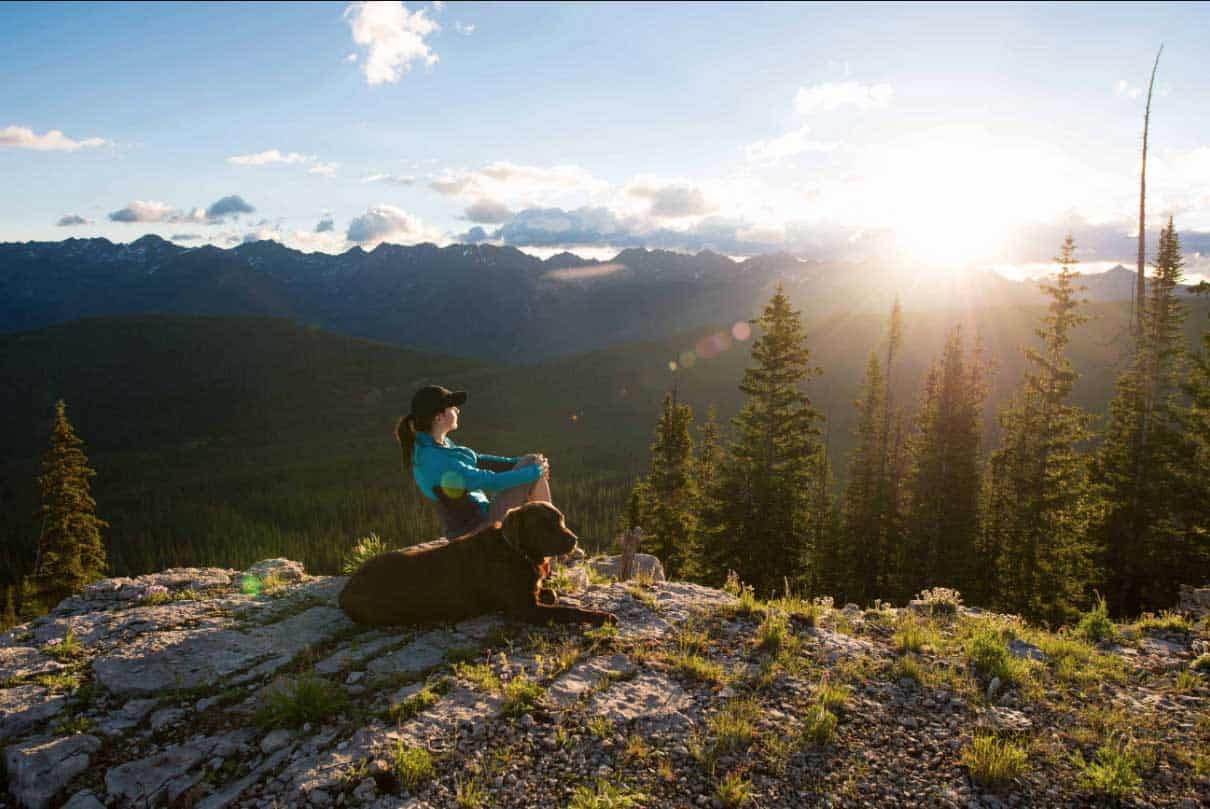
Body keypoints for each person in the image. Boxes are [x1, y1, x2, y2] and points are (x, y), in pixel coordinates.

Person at [396, 384, 553, 538]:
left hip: (480, 516)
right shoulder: (435, 460)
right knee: (534, 469)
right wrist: (535, 471)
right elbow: (491, 481)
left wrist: (518, 462)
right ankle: (556, 546)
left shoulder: (433, 445)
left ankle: (550, 540)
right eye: (452, 407)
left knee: (532, 461)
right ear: (439, 417)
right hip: (477, 528)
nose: (457, 410)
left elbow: (477, 459)